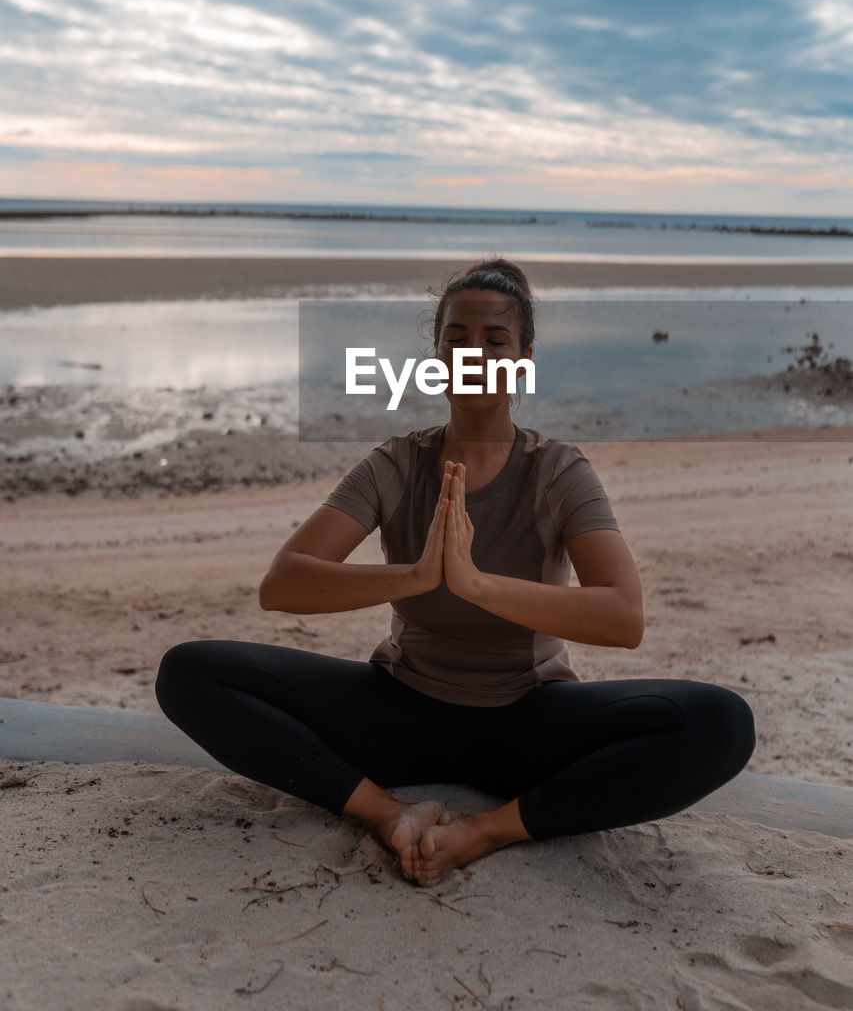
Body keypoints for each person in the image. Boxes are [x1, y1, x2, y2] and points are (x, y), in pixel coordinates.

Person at [155, 258, 755, 888]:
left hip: (527, 720)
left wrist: (475, 584)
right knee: (190, 673)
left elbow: (624, 616)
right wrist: (416, 576)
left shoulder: (558, 471)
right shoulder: (396, 463)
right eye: (456, 340)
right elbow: (284, 584)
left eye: (495, 341)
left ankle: (486, 831)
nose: (474, 355)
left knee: (720, 722)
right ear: (436, 357)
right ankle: (385, 813)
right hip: (400, 710)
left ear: (524, 357)